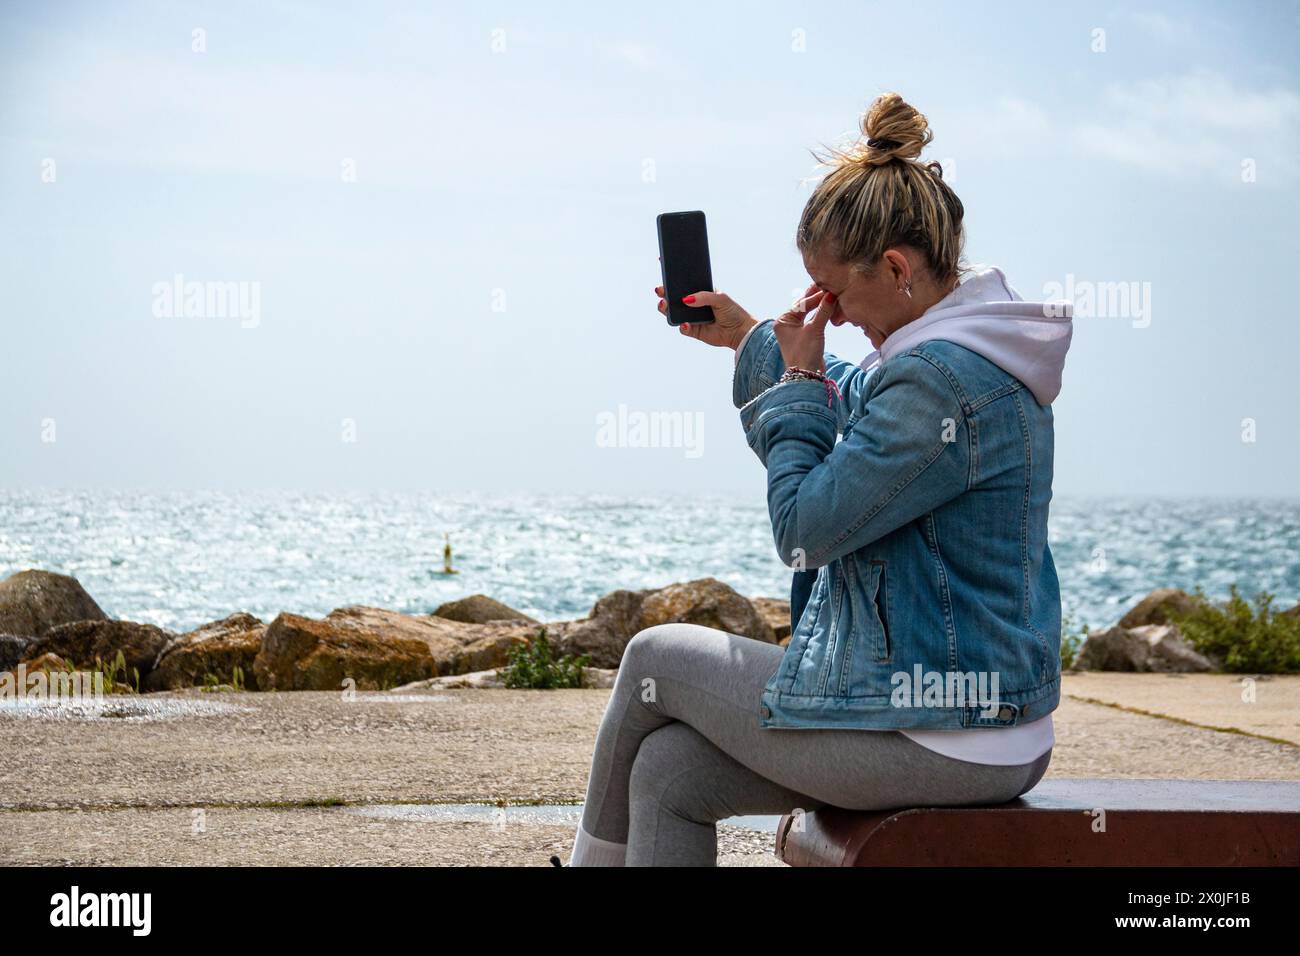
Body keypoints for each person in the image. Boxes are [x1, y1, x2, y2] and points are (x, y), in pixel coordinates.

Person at [554, 92, 1073, 867]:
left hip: (943, 733)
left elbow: (802, 532)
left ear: (896, 268)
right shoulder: (963, 355)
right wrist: (747, 337)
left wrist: (794, 388)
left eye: (833, 290)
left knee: (653, 657)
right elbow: (855, 392)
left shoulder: (939, 383)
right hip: (972, 719)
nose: (829, 310)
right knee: (668, 773)